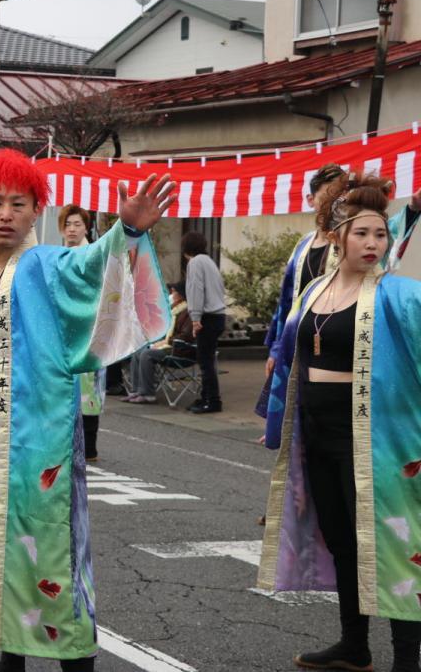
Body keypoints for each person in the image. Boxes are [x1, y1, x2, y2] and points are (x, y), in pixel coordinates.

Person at [0, 149, 174, 671]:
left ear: (36, 211)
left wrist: (125, 233)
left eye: (18, 204)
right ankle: (13, 654)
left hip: (42, 441)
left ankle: (75, 661)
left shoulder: (42, 263)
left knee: (55, 551)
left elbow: (88, 266)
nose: (5, 214)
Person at [259, 172, 421, 672]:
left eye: (380, 234)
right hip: (318, 435)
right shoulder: (313, 290)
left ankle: (407, 660)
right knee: (343, 540)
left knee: (392, 545)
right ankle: (355, 644)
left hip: (376, 440)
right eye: (361, 233)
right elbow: (290, 358)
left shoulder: (400, 295)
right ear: (337, 236)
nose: (373, 243)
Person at [258, 165, 419, 418]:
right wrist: (278, 347)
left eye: (378, 235)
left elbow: (385, 229)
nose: (371, 241)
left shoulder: (394, 288)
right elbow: (288, 298)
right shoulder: (303, 246)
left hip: (351, 335)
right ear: (313, 200)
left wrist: (412, 210)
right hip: (309, 331)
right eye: (330, 192)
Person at [58, 205, 106, 461]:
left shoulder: (91, 254)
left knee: (90, 389)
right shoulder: (60, 255)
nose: (72, 229)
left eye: (77, 224)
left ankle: (90, 445)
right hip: (65, 331)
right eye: (68, 224)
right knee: (66, 386)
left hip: (89, 329)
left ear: (86, 227)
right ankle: (72, 442)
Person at [123, 282, 193, 404]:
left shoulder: (188, 312)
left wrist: (165, 341)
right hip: (169, 346)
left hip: (179, 350)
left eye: (174, 292)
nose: (172, 294)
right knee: (138, 352)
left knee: (147, 354)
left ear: (181, 295)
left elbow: (185, 336)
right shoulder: (174, 310)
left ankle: (148, 393)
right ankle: (136, 391)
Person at [182, 231, 226, 414]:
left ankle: (213, 401)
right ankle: (206, 396)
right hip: (218, 314)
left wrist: (195, 318)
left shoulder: (195, 262)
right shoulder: (209, 262)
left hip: (207, 317)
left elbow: (196, 290)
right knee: (207, 360)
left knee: (205, 361)